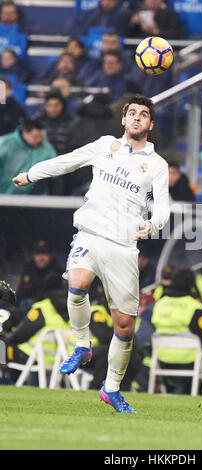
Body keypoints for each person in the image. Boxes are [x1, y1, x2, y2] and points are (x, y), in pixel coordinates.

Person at [12, 95, 170, 413]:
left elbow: (164, 207)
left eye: (144, 115)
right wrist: (32, 174)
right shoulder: (104, 146)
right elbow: (67, 160)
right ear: (123, 120)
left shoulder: (156, 164)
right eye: (132, 113)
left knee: (124, 326)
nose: (137, 118)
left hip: (124, 247)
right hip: (90, 235)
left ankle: (111, 388)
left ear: (150, 125)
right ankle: (82, 345)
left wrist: (153, 225)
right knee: (77, 282)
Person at [151, 268, 202, 394]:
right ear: (191, 284)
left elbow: (153, 328)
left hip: (162, 358)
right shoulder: (194, 307)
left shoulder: (159, 304)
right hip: (189, 360)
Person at [63, 91, 120, 195]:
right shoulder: (115, 128)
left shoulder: (75, 125)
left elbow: (66, 154)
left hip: (78, 180)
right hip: (105, 182)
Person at [0, 119, 56, 194]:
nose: (39, 140)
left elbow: (53, 171)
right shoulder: (5, 144)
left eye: (41, 136)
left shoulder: (46, 148)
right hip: (5, 195)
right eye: (35, 136)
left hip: (36, 200)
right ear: (24, 133)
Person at [16, 240, 64, 315]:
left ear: (51, 255)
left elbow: (60, 298)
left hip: (49, 314)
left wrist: (37, 301)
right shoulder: (28, 270)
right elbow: (20, 294)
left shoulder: (58, 273)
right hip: (28, 315)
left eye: (44, 253)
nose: (40, 258)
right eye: (37, 253)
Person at [63, 0, 131, 37]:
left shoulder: (124, 14)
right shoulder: (90, 14)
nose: (107, 2)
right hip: (90, 45)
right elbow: (72, 29)